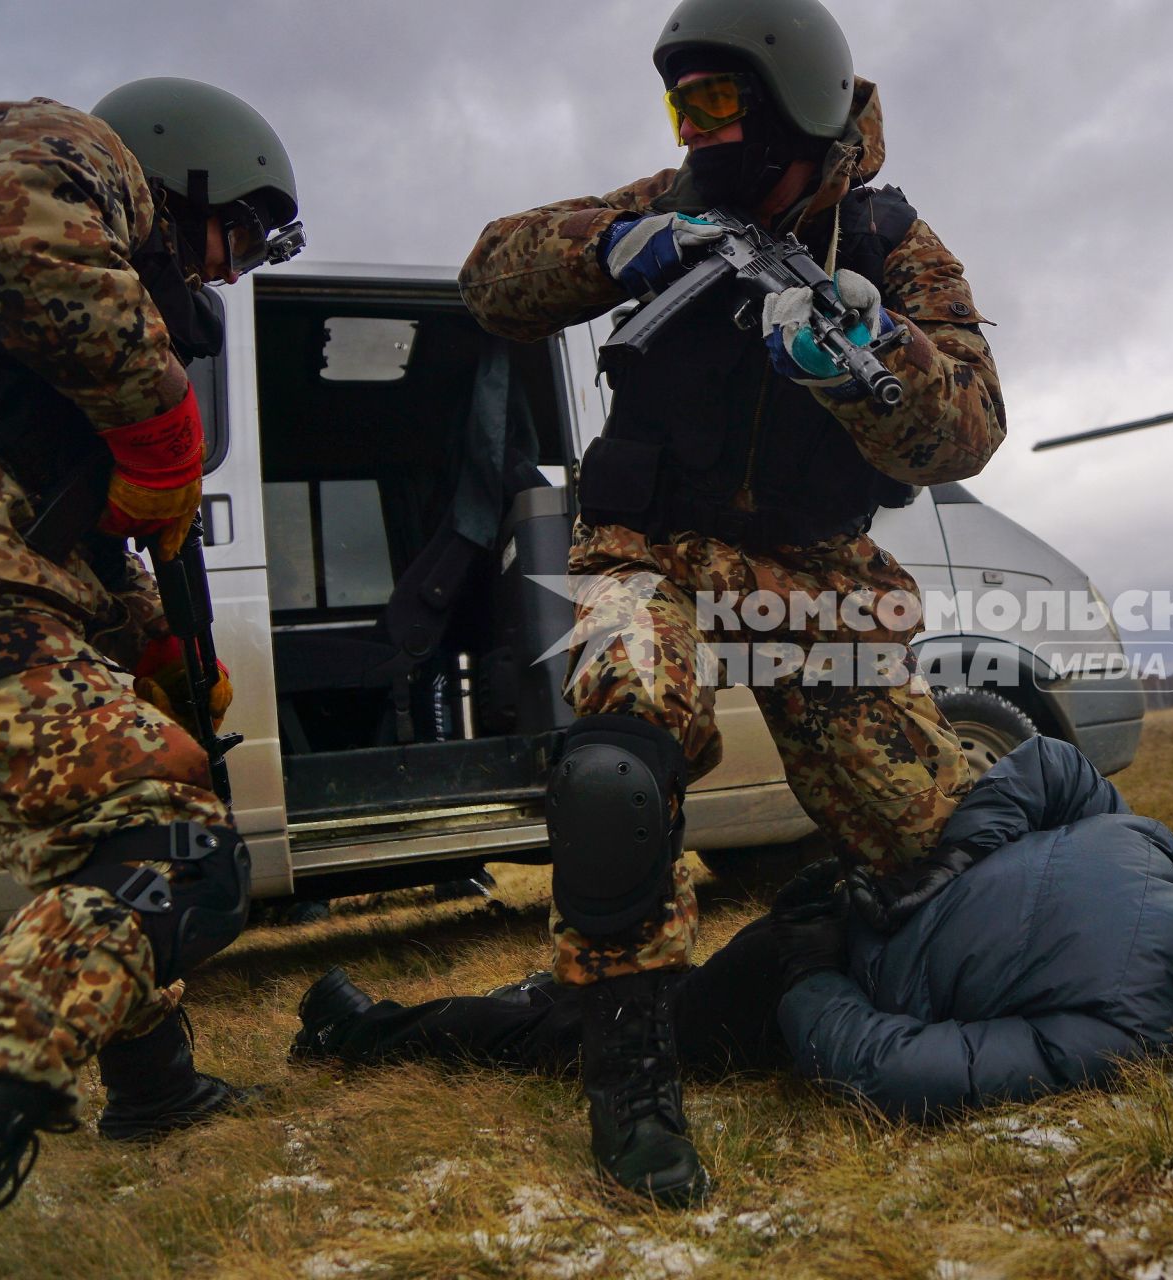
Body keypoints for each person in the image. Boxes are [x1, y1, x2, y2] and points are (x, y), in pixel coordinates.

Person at [456, 0, 1005, 1204]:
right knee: (618, 756)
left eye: (720, 107)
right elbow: (490, 279)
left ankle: (844, 962)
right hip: (644, 545)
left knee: (940, 841)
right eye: (684, 107)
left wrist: (871, 358)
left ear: (796, 105)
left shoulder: (893, 241)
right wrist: (616, 245)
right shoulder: (672, 198)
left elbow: (965, 431)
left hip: (814, 570)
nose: (699, 133)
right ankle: (632, 1080)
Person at [291, 738, 1173, 1122]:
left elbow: (1054, 767)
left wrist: (948, 855)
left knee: (606, 1008)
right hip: (814, 958)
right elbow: (900, 1066)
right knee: (587, 1033)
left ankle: (411, 1020)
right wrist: (818, 984)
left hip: (837, 905)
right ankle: (366, 1031)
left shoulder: (1143, 846)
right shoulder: (1132, 1024)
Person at [0, 78, 301, 1264]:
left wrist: (149, 639)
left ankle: (156, 1087)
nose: (224, 277)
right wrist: (161, 433)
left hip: (1, 586)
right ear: (178, 171)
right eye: (236, 237)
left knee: (95, 851)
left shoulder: (21, 356)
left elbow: (74, 518)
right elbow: (1, 219)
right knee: (175, 848)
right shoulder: (68, 149)